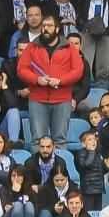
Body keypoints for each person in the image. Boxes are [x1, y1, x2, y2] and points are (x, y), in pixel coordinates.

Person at [16, 14, 84, 150]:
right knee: (37, 140)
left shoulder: (69, 47)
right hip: (37, 99)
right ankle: (37, 171)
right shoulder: (31, 47)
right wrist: (37, 80)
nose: (46, 29)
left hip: (62, 99)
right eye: (44, 26)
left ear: (57, 29)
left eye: (50, 26)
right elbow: (21, 69)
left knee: (60, 140)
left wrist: (60, 81)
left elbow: (78, 70)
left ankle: (58, 171)